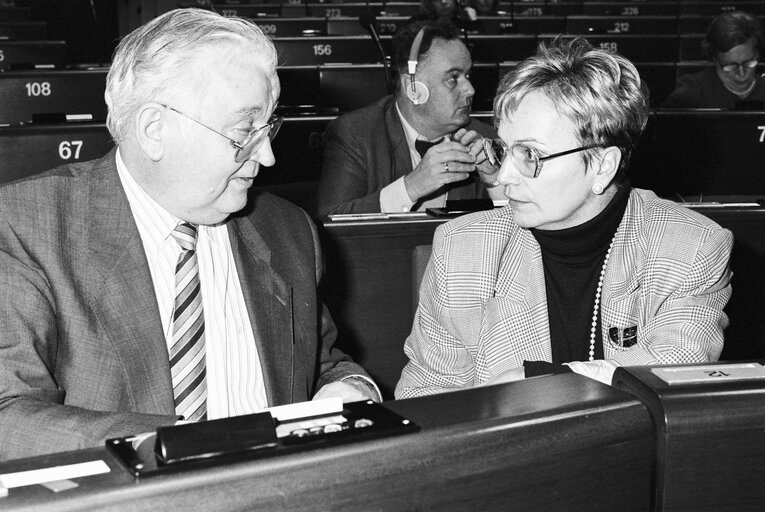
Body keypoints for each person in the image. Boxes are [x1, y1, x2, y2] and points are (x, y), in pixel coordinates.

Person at [0, 8, 379, 462]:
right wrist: (186, 448)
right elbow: (9, 415)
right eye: (244, 130)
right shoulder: (27, 228)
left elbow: (319, 364)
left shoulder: (288, 231)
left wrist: (351, 387)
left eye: (270, 125)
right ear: (154, 130)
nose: (270, 157)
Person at [396, 37, 733, 398]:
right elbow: (425, 401)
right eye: (504, 149)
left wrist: (538, 382)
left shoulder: (690, 247)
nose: (504, 175)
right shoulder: (462, 250)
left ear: (603, 166)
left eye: (531, 155)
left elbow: (670, 382)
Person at [317, 18, 503, 215]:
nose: (470, 90)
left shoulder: (484, 138)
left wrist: (494, 181)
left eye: (468, 76)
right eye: (452, 78)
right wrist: (411, 187)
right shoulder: (355, 133)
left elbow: (522, 232)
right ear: (413, 89)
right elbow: (331, 219)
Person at [663, 11, 765, 109]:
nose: (742, 75)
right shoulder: (692, 91)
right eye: (731, 66)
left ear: (757, 54)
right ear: (715, 59)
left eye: (749, 63)